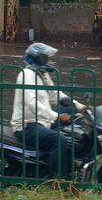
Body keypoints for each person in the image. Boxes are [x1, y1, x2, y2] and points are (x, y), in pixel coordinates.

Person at [10, 42, 85, 179]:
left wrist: (80, 107)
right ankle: (57, 179)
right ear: (40, 59)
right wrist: (57, 116)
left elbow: (56, 95)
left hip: (43, 122)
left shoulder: (42, 74)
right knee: (59, 139)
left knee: (74, 133)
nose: (50, 61)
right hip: (27, 125)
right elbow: (32, 103)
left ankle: (71, 170)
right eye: (47, 58)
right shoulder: (26, 75)